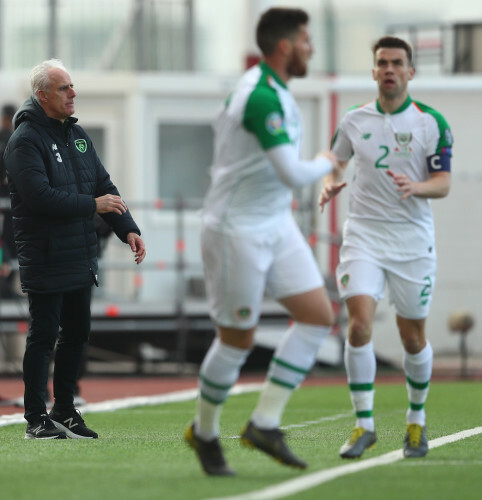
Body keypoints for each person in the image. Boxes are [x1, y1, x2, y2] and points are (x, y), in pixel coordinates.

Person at [185, 7, 339, 476]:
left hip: (275, 223)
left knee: (317, 317)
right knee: (237, 339)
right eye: (306, 40)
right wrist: (327, 161)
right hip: (237, 231)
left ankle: (264, 423)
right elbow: (293, 172)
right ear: (286, 45)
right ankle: (204, 432)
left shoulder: (276, 91)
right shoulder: (261, 96)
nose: (312, 47)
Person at [319, 36, 453, 459]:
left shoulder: (431, 123)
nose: (390, 69)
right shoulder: (355, 120)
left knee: (411, 337)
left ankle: (416, 420)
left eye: (398, 62)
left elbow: (444, 183)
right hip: (364, 237)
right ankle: (364, 425)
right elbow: (335, 160)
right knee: (359, 325)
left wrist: (417, 187)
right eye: (383, 63)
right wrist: (329, 182)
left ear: (410, 72)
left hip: (412, 242)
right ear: (374, 71)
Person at [4, 59, 146, 440]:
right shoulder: (24, 141)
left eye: (72, 86)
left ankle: (65, 409)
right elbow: (40, 199)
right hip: (46, 255)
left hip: (81, 255)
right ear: (42, 95)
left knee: (78, 332)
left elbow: (103, 184)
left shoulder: (78, 134)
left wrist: (127, 228)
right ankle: (36, 417)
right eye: (64, 88)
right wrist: (93, 205)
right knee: (43, 334)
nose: (73, 93)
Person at [0, 103, 21, 299]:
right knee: (10, 242)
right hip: (11, 199)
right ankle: (5, 288)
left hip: (8, 199)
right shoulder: (14, 139)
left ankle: (5, 287)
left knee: (8, 243)